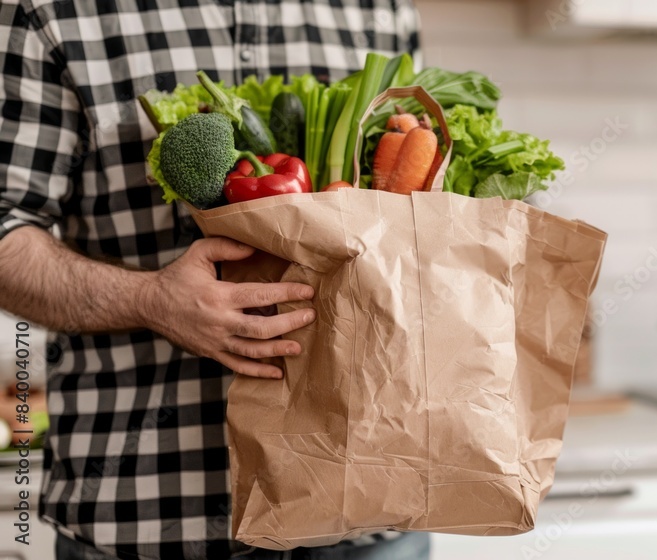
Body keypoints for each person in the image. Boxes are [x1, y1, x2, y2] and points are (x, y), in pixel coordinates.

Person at [0, 1, 429, 558]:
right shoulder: (54, 13)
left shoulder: (379, 8)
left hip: (367, 512)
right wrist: (152, 300)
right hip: (148, 514)